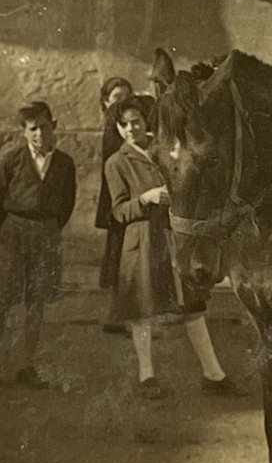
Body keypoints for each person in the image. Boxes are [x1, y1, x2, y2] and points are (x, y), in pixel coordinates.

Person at [103, 97, 244, 399]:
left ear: (146, 121)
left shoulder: (166, 148)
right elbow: (117, 211)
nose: (131, 128)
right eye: (124, 124)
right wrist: (145, 198)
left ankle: (213, 374)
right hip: (142, 242)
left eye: (136, 121)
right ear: (118, 128)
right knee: (142, 309)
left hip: (174, 237)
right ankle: (146, 376)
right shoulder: (116, 163)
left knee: (192, 305)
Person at [0, 101, 77, 388]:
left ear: (55, 125)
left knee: (35, 302)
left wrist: (48, 229)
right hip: (13, 233)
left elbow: (67, 204)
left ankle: (27, 364)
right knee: (1, 300)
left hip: (46, 235)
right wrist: (11, 228)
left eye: (44, 126)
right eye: (33, 129)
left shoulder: (64, 164)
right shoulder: (12, 160)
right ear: (24, 132)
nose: (39, 133)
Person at [95, 76, 134, 332]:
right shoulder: (113, 131)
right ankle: (118, 316)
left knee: (122, 257)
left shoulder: (118, 127)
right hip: (120, 200)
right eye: (116, 98)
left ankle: (117, 315)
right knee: (123, 258)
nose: (121, 102)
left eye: (126, 97)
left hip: (124, 199)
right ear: (106, 102)